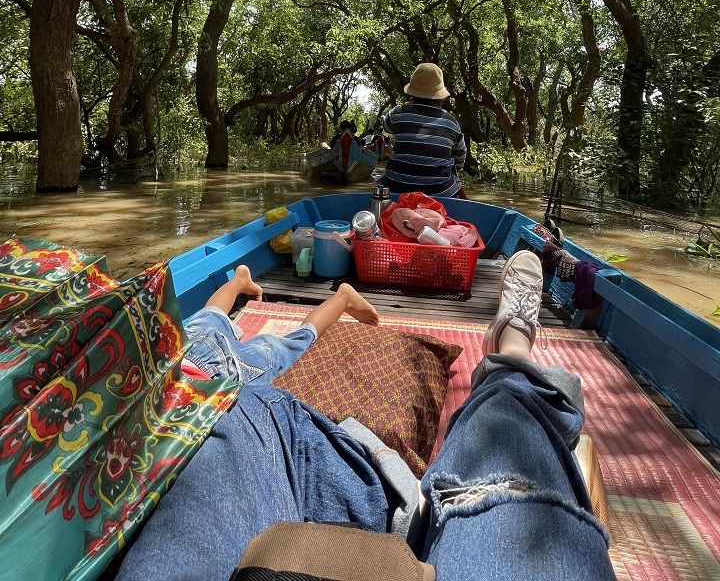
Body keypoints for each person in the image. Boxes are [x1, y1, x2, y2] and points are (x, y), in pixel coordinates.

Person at [117, 251, 615, 581]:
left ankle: (510, 374)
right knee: (504, 430)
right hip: (223, 386)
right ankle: (513, 356)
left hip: (220, 397)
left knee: (250, 402)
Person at [180, 263, 380, 383]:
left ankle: (343, 298)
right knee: (210, 316)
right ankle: (239, 281)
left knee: (299, 343)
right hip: (183, 354)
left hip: (219, 376)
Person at [383, 63, 467, 198]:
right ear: (439, 95)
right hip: (440, 193)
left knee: (382, 183)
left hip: (397, 189)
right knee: (453, 175)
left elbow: (386, 127)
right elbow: (460, 158)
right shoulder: (452, 122)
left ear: (412, 93)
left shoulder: (398, 113)